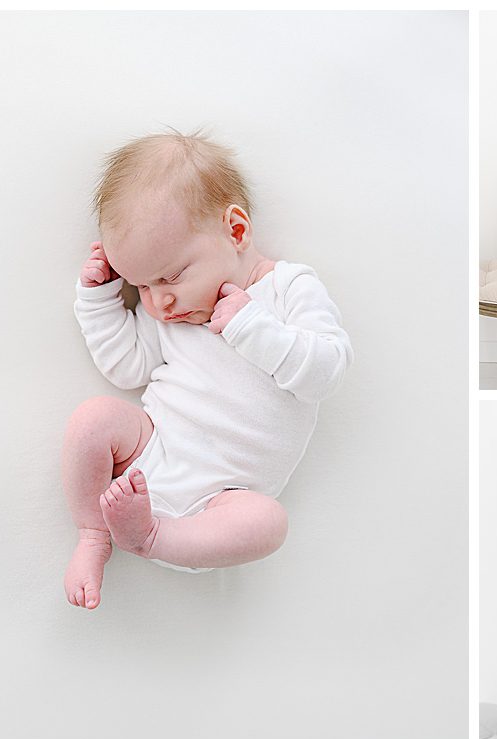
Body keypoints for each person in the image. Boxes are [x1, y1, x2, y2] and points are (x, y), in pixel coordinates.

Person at [62, 131, 352, 609]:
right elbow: (126, 367)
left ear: (235, 232)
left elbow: (328, 371)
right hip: (150, 453)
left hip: (222, 500)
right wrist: (99, 300)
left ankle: (151, 537)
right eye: (142, 285)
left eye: (171, 276)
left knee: (269, 523)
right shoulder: (171, 312)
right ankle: (94, 534)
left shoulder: (286, 289)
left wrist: (250, 327)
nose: (160, 301)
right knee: (93, 418)